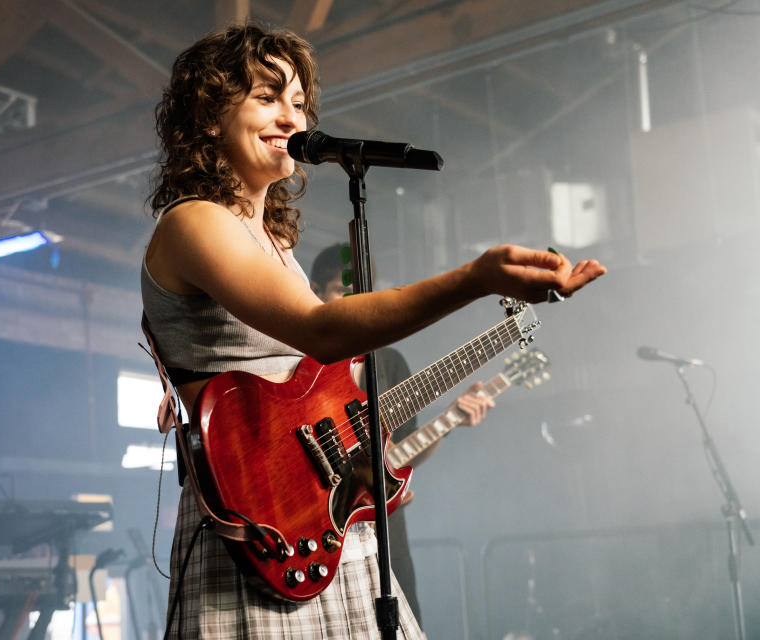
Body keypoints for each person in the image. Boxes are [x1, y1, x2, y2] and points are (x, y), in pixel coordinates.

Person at [141, 24, 605, 639]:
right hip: (253, 531)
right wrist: (475, 278)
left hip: (320, 523)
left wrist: (359, 467)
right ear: (207, 116)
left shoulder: (276, 244)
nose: (291, 116)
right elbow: (319, 331)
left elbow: (303, 384)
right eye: (267, 97)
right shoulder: (193, 222)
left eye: (300, 104)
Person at [309, 243, 495, 623]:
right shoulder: (307, 366)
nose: (354, 302)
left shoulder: (388, 362)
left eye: (363, 292)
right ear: (315, 290)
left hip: (384, 527)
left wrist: (452, 417)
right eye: (342, 291)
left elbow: (403, 454)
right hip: (319, 523)